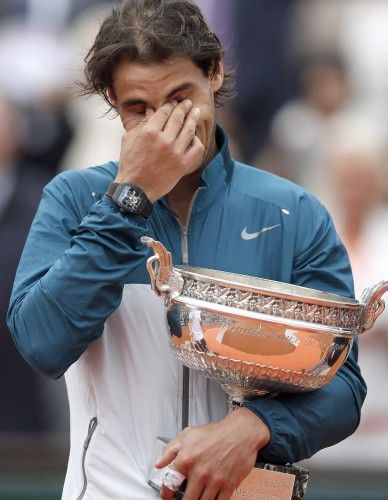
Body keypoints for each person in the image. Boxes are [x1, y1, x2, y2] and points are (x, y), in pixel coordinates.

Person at [7, 1, 366, 499]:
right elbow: (42, 343)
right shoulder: (73, 199)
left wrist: (253, 426)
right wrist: (129, 198)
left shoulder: (293, 212)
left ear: (215, 73)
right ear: (112, 100)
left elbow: (345, 388)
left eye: (180, 98)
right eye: (139, 109)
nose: (164, 126)